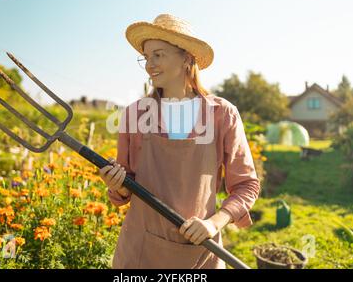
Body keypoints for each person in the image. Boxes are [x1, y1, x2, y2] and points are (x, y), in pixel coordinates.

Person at [99, 14, 260, 269]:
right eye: (146, 57)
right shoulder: (135, 115)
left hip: (199, 252)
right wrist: (117, 185)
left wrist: (213, 223)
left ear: (186, 58)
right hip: (140, 253)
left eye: (159, 55)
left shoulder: (221, 114)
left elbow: (246, 186)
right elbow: (124, 189)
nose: (149, 65)